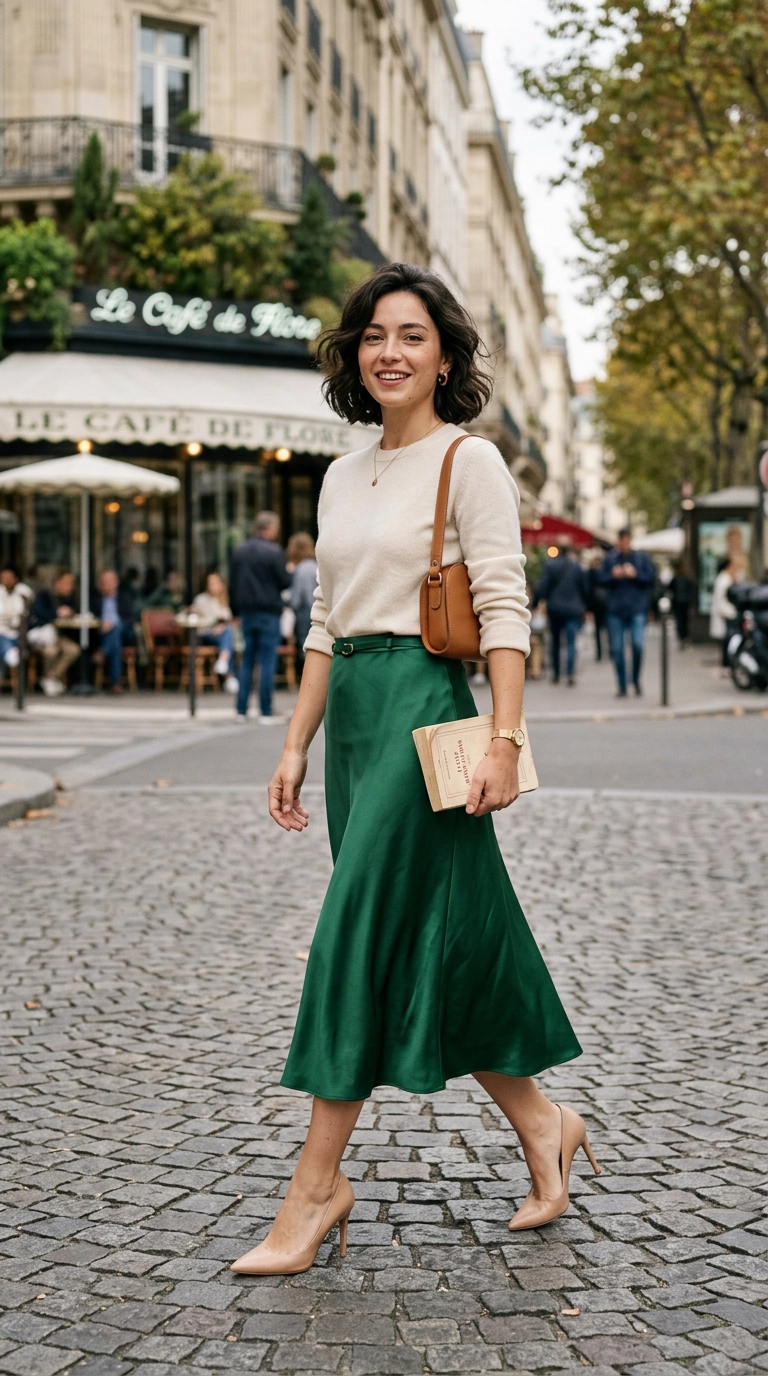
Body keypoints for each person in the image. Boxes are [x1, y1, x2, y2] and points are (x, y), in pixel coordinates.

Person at [230, 262, 592, 1279]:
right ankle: (546, 1123)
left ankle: (315, 1187)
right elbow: (323, 622)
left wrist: (508, 739)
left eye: (413, 335)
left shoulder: (467, 461)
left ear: (444, 354)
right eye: (374, 334)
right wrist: (295, 742)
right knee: (436, 939)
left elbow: (505, 608)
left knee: (354, 931)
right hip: (350, 720)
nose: (391, 350)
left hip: (424, 715)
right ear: (354, 353)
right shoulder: (340, 472)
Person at [230, 511, 292, 721]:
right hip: (268, 611)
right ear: (269, 528)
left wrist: (234, 611)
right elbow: (284, 581)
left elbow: (232, 584)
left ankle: (241, 709)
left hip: (247, 612)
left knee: (247, 660)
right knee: (267, 660)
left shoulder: (240, 551)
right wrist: (289, 571)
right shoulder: (274, 552)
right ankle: (265, 709)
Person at [598, 528, 656, 696]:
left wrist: (635, 575)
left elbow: (651, 579)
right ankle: (622, 684)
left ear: (630, 541)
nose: (624, 544)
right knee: (617, 649)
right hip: (615, 609)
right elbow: (599, 579)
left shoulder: (641, 558)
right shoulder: (610, 559)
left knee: (638, 646)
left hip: (636, 608)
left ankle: (635, 679)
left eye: (627, 540)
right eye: (622, 541)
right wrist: (612, 576)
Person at [532, 538, 588, 685]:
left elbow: (543, 587)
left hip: (555, 609)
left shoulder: (550, 566)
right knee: (571, 642)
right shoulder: (576, 567)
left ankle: (556, 673)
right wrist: (584, 607)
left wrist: (537, 604)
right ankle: (570, 673)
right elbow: (585, 589)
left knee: (555, 642)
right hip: (573, 609)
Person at [28, 570, 80, 695]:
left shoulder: (69, 598)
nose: (70, 586)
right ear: (57, 582)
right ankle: (49, 681)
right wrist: (57, 612)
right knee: (51, 651)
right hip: (43, 635)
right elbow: (38, 613)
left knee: (73, 650)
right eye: (67, 583)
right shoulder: (44, 595)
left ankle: (50, 677)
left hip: (58, 635)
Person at [190, 571, 239, 693]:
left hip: (220, 636)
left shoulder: (223, 600)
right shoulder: (200, 600)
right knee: (228, 638)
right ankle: (229, 676)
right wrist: (214, 625)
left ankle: (223, 660)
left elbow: (227, 619)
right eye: (210, 583)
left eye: (215, 583)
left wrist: (221, 626)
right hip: (204, 634)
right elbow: (197, 620)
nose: (213, 586)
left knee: (227, 636)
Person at [90, 570, 133, 694]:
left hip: (125, 633)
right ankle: (116, 683)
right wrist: (101, 623)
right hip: (103, 634)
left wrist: (112, 624)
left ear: (116, 583)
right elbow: (90, 617)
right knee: (115, 644)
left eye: (109, 582)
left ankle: (103, 652)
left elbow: (130, 619)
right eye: (103, 582)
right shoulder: (95, 600)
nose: (106, 585)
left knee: (117, 627)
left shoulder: (124, 597)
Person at [287, 532, 318, 675]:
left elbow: (297, 599)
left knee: (305, 647)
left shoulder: (301, 569)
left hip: (305, 613)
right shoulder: (315, 566)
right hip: (317, 610)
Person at [710, 556, 741, 669]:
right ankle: (726, 664)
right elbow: (721, 600)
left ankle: (726, 664)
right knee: (726, 641)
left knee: (725, 641)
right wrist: (732, 612)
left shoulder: (725, 578)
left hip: (726, 614)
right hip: (726, 615)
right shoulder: (724, 580)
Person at [0, 567, 32, 674]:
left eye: (10, 578)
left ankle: (11, 653)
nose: (8, 581)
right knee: (4, 641)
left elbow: (29, 597)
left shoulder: (21, 592)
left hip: (17, 632)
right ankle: (11, 653)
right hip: (2, 631)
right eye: (5, 578)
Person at [586, 552, 608, 661]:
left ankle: (606, 651)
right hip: (598, 606)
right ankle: (600, 652)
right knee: (599, 630)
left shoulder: (600, 574)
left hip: (603, 606)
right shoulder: (591, 574)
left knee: (604, 630)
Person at [670, 559, 695, 648]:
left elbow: (670, 589)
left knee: (680, 622)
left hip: (678, 603)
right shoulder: (687, 578)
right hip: (685, 603)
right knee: (685, 622)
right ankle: (685, 638)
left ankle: (683, 638)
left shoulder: (676, 578)